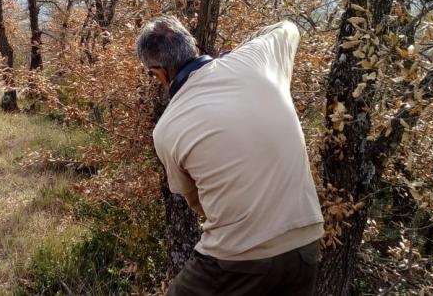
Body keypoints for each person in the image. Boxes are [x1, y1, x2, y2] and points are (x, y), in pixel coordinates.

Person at [136, 15, 323, 296]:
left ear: (160, 73)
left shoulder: (167, 128)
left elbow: (197, 202)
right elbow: (288, 28)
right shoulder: (257, 58)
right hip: (306, 241)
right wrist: (241, 52)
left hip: (238, 256)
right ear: (195, 47)